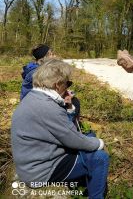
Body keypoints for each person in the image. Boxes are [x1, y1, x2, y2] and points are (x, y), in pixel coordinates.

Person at [11, 59, 109, 198]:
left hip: (32, 164)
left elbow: (62, 129)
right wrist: (100, 143)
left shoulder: (34, 97)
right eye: (67, 83)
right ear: (57, 85)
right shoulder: (48, 107)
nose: (68, 87)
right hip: (41, 172)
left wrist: (68, 107)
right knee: (100, 157)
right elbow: (74, 139)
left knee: (90, 137)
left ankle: (85, 186)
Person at [20, 44, 80, 125]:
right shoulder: (37, 73)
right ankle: (72, 128)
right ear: (44, 58)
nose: (55, 56)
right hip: (36, 108)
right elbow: (47, 93)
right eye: (52, 54)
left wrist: (64, 91)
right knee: (74, 103)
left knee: (72, 100)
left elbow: (48, 90)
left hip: (34, 103)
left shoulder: (36, 69)